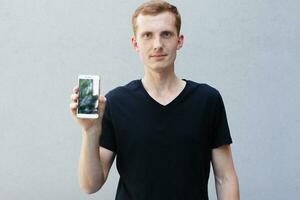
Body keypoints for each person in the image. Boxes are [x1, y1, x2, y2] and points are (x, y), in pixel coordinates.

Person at [70, 1, 240, 199]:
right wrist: (90, 131)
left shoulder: (207, 100)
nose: (157, 44)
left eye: (166, 34)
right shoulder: (116, 102)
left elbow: (225, 177)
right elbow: (90, 184)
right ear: (135, 43)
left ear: (180, 40)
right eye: (147, 35)